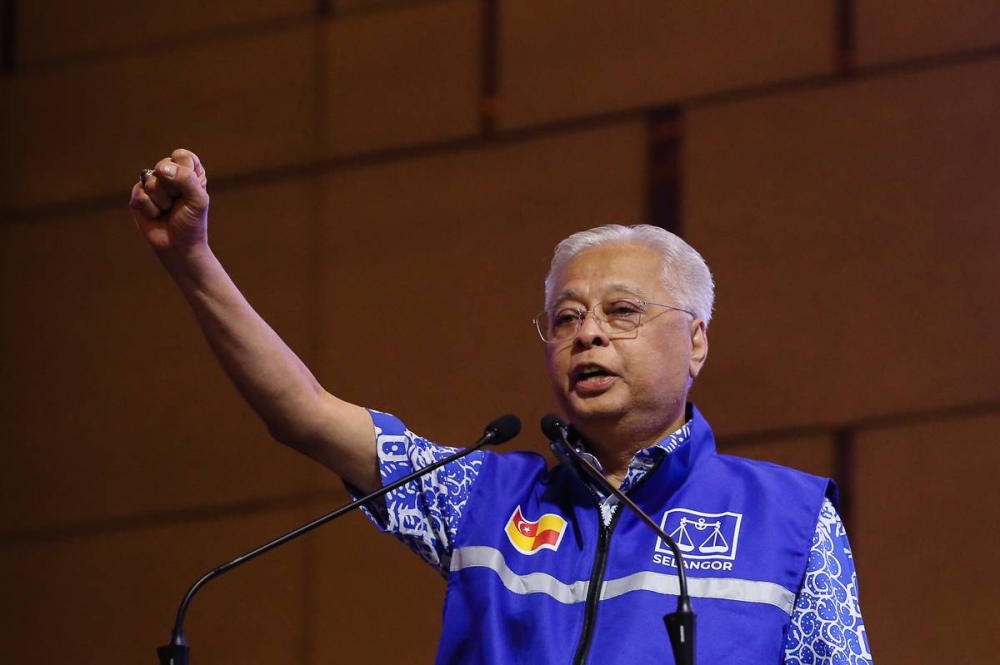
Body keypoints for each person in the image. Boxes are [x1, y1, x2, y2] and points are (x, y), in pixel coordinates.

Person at [130, 149, 872, 664]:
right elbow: (303, 413)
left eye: (621, 312)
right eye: (565, 317)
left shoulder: (790, 520)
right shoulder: (483, 498)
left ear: (697, 341)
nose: (588, 334)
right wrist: (191, 258)